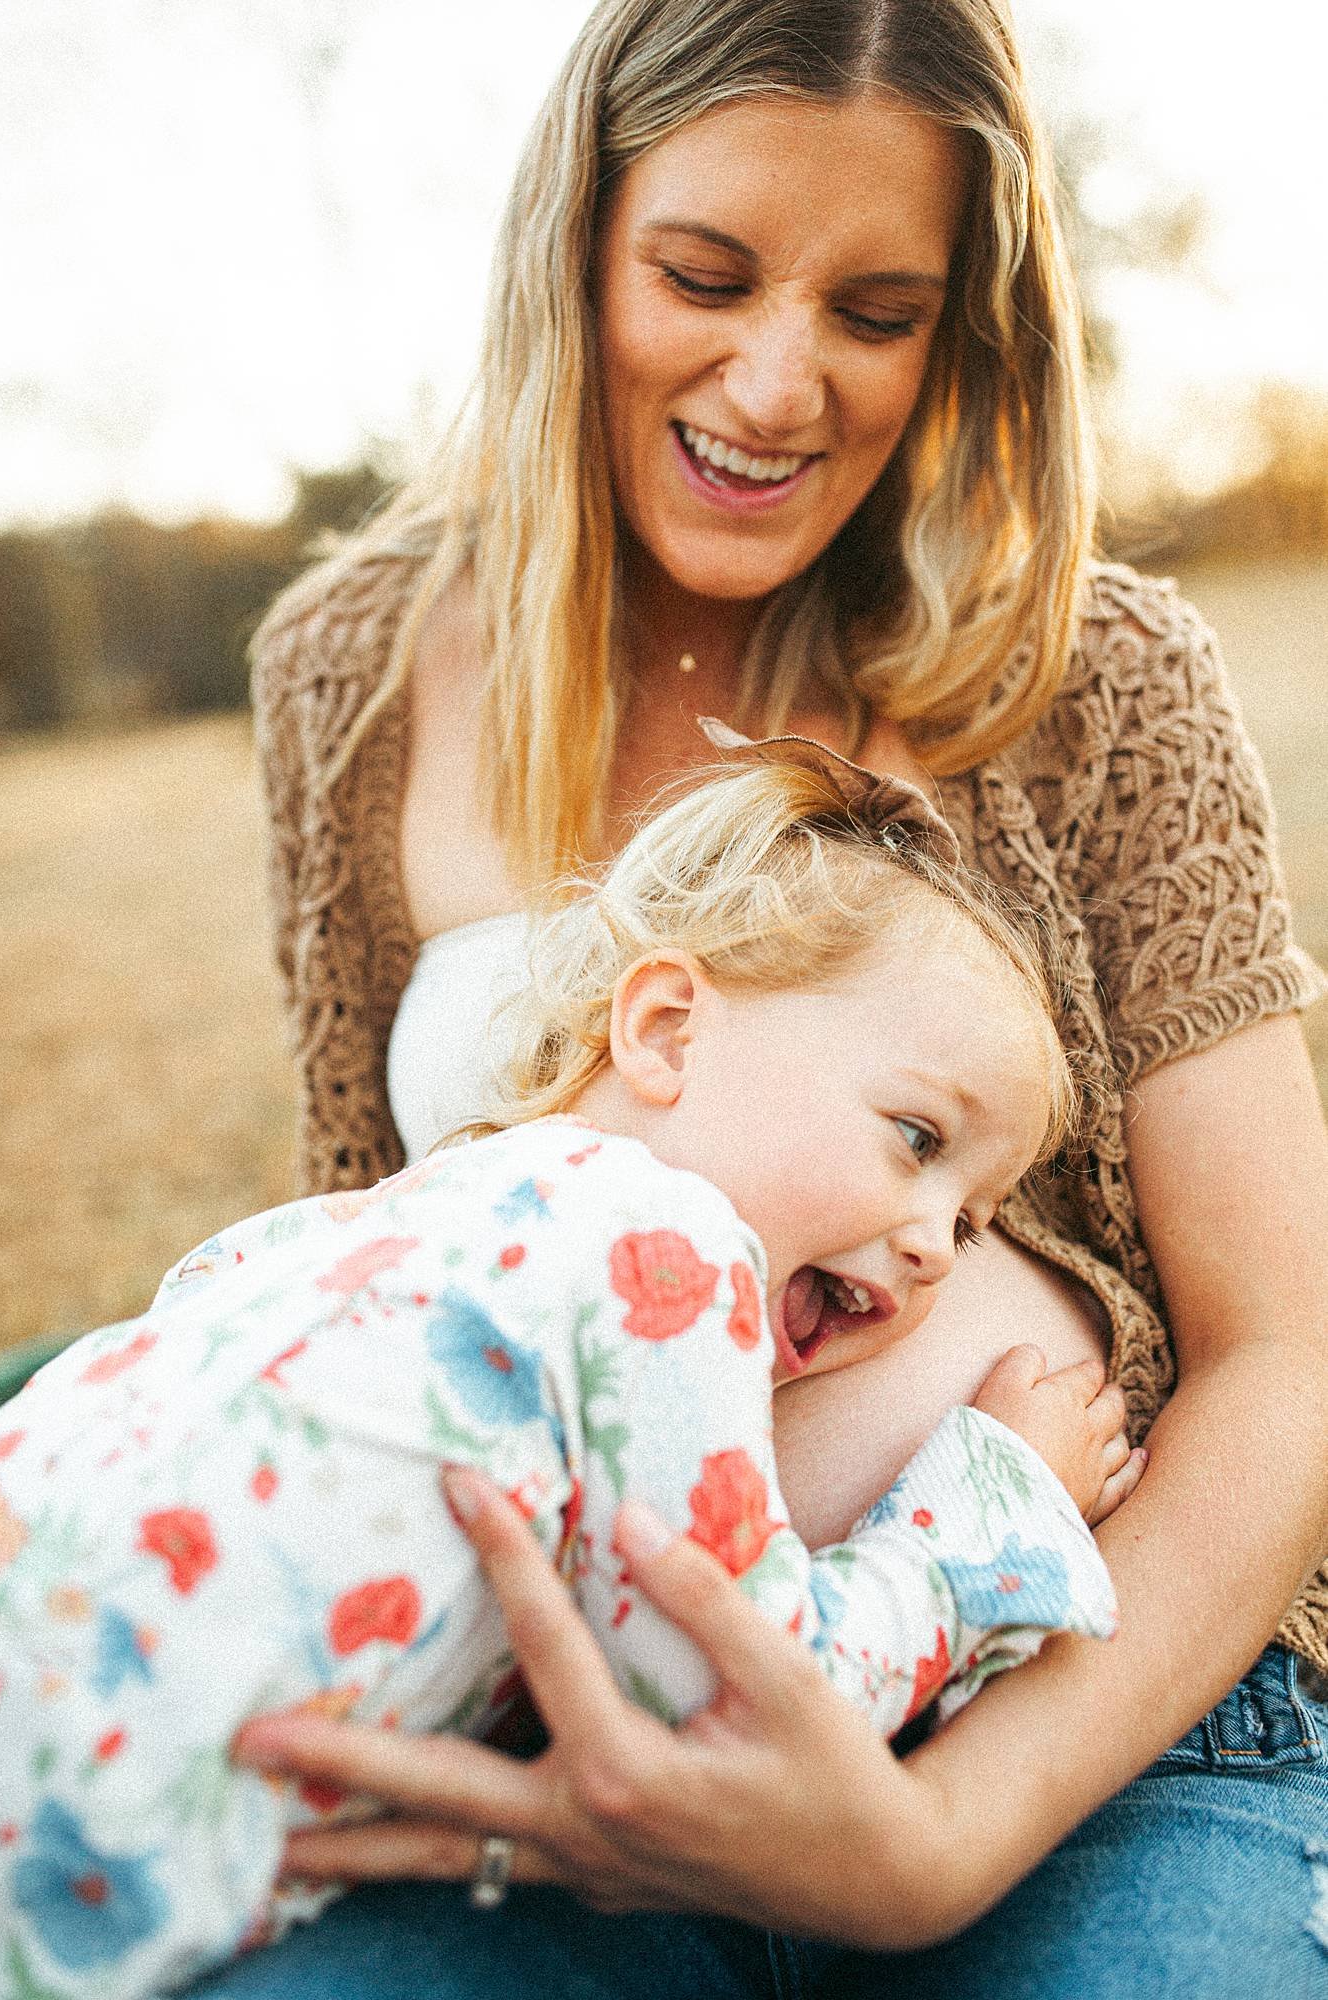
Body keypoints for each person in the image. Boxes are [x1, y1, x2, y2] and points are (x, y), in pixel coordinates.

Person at [226, 0, 1328, 1991]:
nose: (777, 380)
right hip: (571, 1757)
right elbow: (367, 1263)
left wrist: (929, 1840)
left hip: (1095, 1731)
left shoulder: (1107, 679)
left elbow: (1291, 1356)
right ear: (577, 240)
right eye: (704, 276)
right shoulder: (350, 672)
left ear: (962, 332)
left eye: (878, 310)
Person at [0, 745, 1137, 2000]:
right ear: (661, 1029)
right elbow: (733, 1703)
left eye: (973, 1223)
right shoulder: (670, 1251)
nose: (932, 1245)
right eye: (915, 1136)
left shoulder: (392, 1216)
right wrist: (987, 1508)